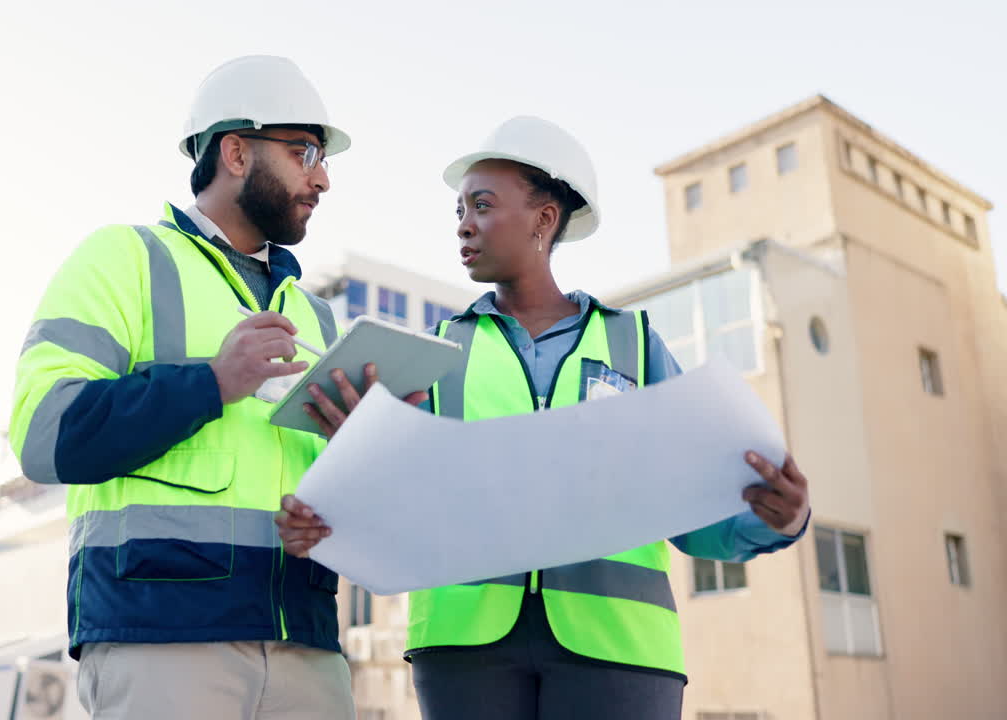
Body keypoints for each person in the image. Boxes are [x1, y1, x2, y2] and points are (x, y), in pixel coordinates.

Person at [277, 116, 811, 720]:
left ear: (543, 219)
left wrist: (776, 520)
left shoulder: (633, 345)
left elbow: (690, 506)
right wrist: (336, 493)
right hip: (464, 648)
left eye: (482, 205)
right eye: (458, 210)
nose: (463, 224)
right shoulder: (434, 353)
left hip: (619, 646)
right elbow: (399, 504)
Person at [9, 55, 363, 720]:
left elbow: (318, 497)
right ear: (234, 151)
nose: (321, 177)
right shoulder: (123, 259)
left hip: (308, 642)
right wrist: (210, 383)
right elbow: (45, 433)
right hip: (161, 638)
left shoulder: (316, 316)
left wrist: (354, 458)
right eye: (304, 150)